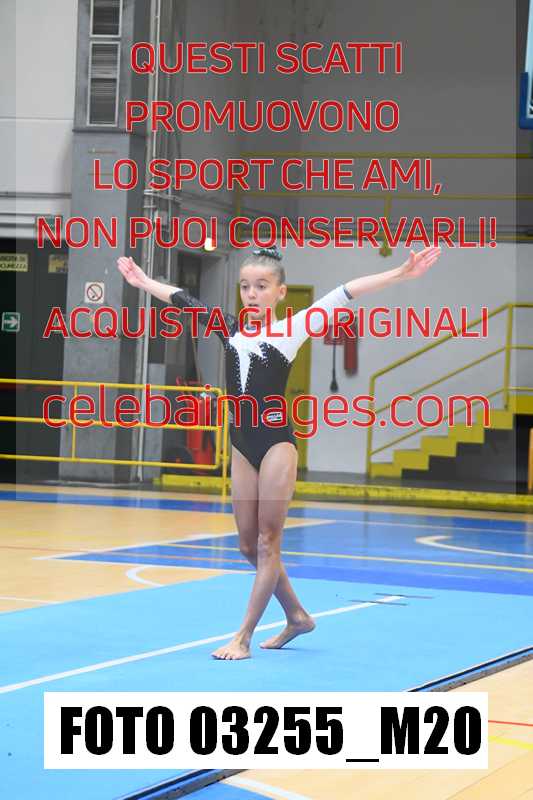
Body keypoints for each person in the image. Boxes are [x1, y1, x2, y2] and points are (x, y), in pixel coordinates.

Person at [117, 244, 441, 660]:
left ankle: (243, 637)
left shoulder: (293, 328)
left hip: (275, 445)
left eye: (262, 286)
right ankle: (297, 616)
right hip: (242, 445)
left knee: (269, 543)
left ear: (280, 292)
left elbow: (346, 291)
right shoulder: (229, 328)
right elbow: (183, 299)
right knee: (247, 546)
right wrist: (144, 282)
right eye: (245, 286)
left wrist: (400, 273)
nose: (251, 294)